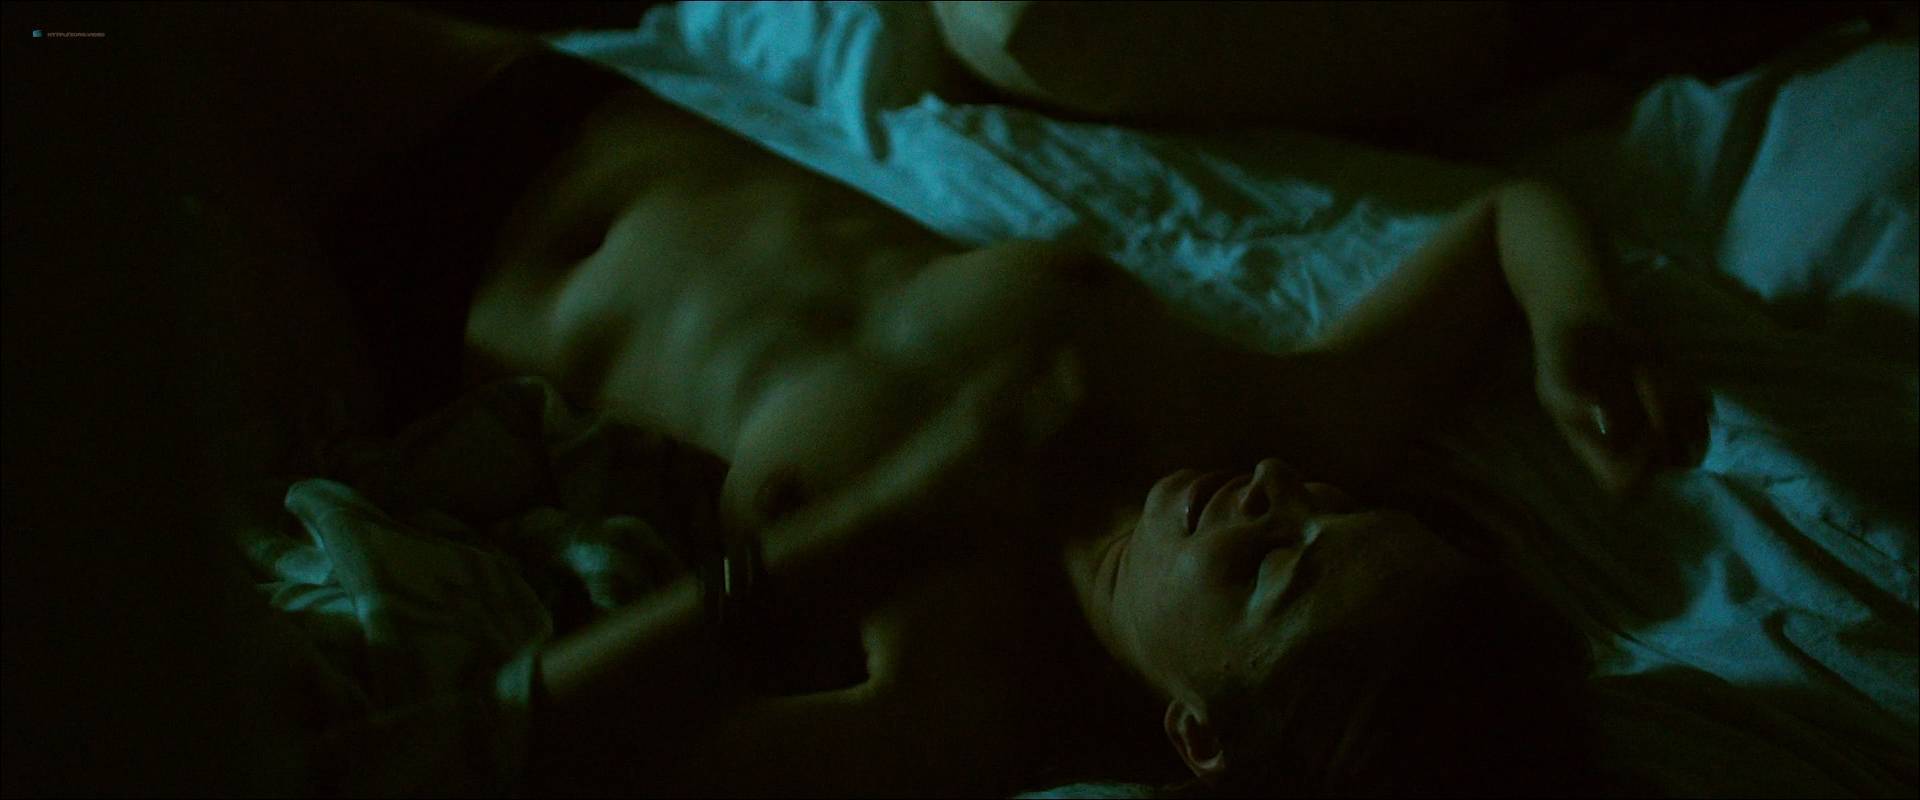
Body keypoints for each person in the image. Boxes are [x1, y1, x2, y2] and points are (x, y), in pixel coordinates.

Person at [83, 3, 1705, 796]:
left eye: (1274, 570)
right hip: (550, 110)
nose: (1282, 502)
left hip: (406, 284)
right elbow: (1507, 220)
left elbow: (578, 764)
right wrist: (1580, 328)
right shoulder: (1260, 432)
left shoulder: (958, 694)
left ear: (1200, 734)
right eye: (1337, 513)